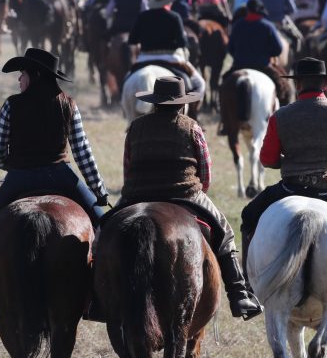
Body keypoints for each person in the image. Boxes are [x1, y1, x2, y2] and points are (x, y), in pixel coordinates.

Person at [0, 48, 108, 321]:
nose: (19, 80)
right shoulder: (68, 104)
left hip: (20, 177)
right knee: (105, 225)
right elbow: (83, 153)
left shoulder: (12, 104)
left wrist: (7, 166)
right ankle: (105, 294)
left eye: (22, 74)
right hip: (61, 175)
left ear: (34, 75)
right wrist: (99, 191)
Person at [240, 57, 327, 316]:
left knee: (249, 217)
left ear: (298, 85)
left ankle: (248, 289)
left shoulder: (280, 116)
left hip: (291, 189)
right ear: (326, 84)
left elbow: (268, 159)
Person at [112, 76, 262, 319]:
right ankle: (238, 294)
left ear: (155, 103)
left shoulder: (136, 127)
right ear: (181, 104)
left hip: (136, 194)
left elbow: (127, 169)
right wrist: (198, 189)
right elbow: (205, 172)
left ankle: (93, 296)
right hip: (185, 193)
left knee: (102, 231)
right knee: (226, 232)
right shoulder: (191, 126)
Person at [128, 0, 206, 97]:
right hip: (171, 58)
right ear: (169, 1)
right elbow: (182, 43)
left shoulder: (143, 16)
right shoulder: (174, 17)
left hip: (144, 58)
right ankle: (191, 112)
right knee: (200, 84)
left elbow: (132, 40)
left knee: (126, 79)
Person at [224, 0, 290, 105]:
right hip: (263, 66)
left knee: (224, 84)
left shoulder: (238, 25)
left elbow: (230, 48)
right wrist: (267, 54)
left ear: (248, 10)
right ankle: (283, 117)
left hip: (239, 66)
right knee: (285, 88)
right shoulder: (268, 26)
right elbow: (278, 49)